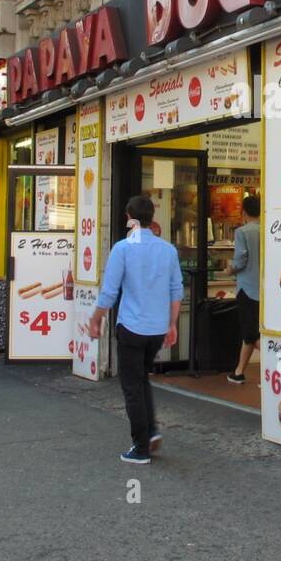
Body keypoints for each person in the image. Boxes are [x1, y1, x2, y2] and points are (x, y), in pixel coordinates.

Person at [87, 196, 184, 464]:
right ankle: (150, 432)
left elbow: (109, 291)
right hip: (156, 330)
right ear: (152, 218)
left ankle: (140, 447)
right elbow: (176, 290)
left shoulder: (123, 249)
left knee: (132, 386)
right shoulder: (168, 250)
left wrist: (96, 319)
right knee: (141, 380)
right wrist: (172, 323)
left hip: (131, 327)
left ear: (130, 218)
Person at [227, 195, 261, 384]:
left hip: (247, 289)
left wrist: (229, 269)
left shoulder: (242, 232)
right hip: (265, 290)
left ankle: (280, 370)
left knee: (251, 334)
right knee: (250, 334)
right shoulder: (269, 230)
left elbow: (240, 260)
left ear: (245, 212)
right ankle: (238, 372)